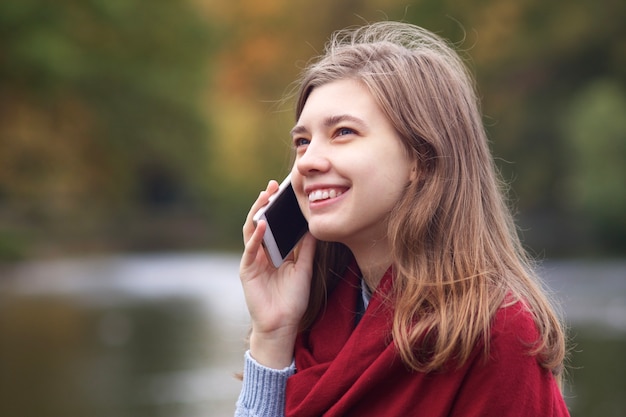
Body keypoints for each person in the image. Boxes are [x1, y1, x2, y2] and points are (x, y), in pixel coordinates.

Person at [235, 21, 570, 417]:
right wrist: (272, 334)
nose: (307, 161)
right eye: (302, 141)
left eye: (342, 132)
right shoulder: (313, 321)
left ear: (420, 159)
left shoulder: (494, 333)